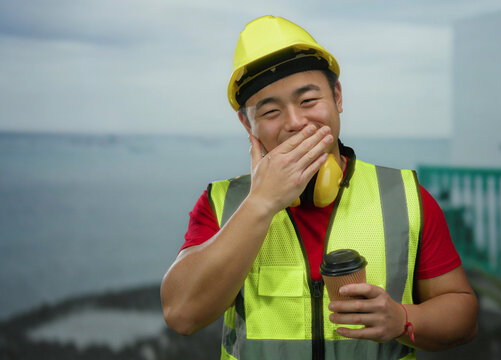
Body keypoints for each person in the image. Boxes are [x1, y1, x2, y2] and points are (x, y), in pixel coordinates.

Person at [161, 15, 478, 360]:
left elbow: (463, 316)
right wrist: (261, 203)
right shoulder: (222, 203)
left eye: (308, 100)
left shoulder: (405, 196)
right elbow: (182, 315)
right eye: (269, 112)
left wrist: (403, 319)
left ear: (337, 96)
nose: (296, 122)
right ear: (246, 124)